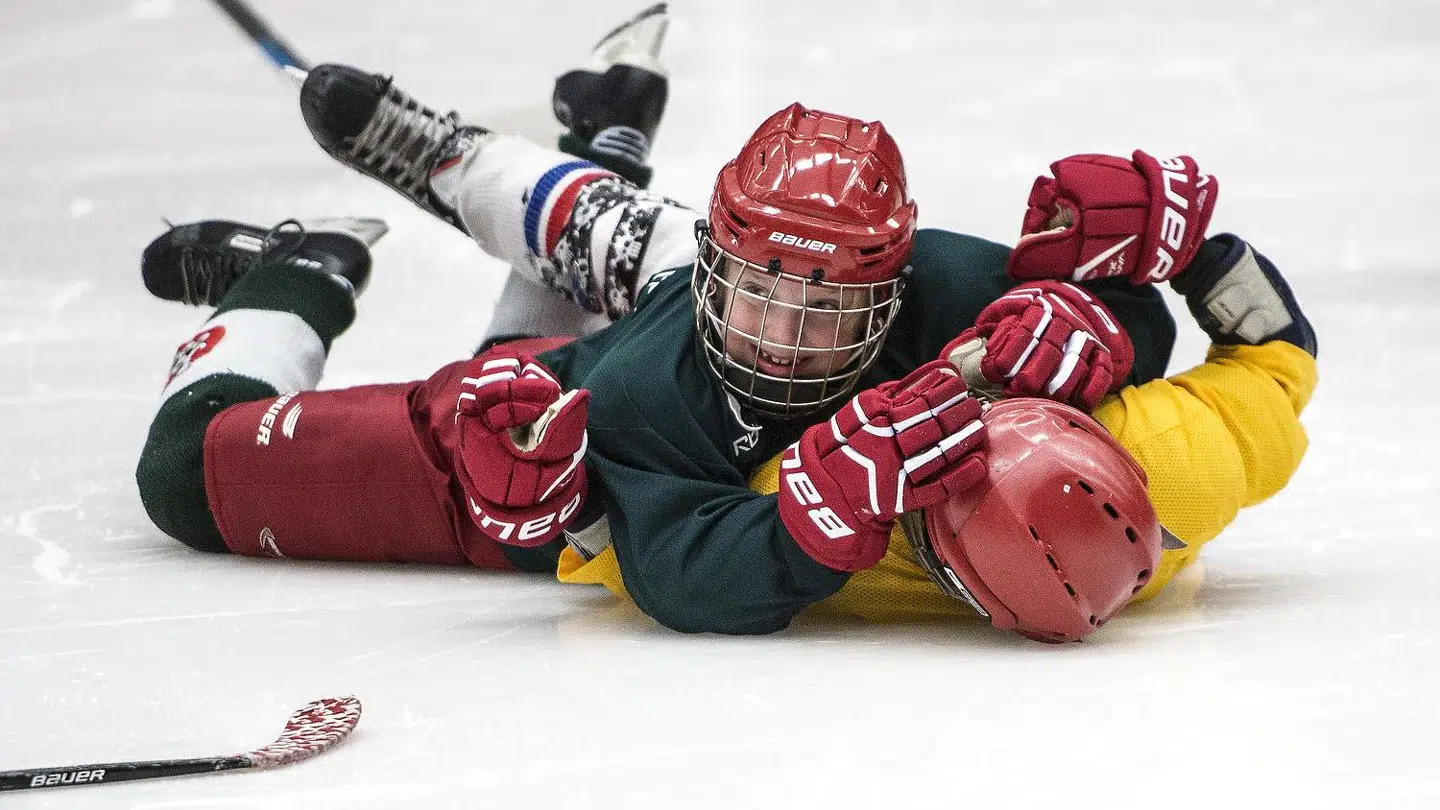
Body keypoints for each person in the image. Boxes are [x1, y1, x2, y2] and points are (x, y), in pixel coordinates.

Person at [134, 7, 1226, 642]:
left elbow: (1137, 334)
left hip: (587, 374)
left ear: (890, 283)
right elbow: (669, 572)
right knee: (190, 474)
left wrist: (1099, 313)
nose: (782, 331)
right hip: (576, 435)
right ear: (720, 257)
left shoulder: (936, 282)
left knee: (560, 327)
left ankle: (599, 135)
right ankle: (310, 263)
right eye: (757, 285)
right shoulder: (653, 380)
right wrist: (813, 518)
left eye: (829, 300)